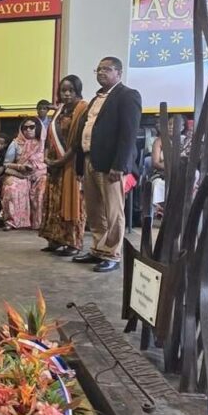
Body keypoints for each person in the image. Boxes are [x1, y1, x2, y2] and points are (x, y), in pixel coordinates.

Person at [72, 56, 142, 273]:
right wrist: (80, 166)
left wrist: (120, 165)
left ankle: (112, 253)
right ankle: (97, 249)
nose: (101, 73)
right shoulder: (95, 99)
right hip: (90, 159)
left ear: (119, 73)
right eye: (99, 69)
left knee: (113, 211)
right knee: (94, 210)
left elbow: (128, 134)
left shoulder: (128, 95)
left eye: (107, 69)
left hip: (111, 165)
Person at [39, 75, 89, 255]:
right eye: (63, 90)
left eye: (71, 90)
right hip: (54, 165)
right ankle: (55, 239)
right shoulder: (59, 111)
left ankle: (73, 242)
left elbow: (78, 141)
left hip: (71, 164)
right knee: (54, 202)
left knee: (72, 201)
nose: (67, 94)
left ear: (77, 91)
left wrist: (61, 160)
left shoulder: (82, 109)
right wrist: (46, 157)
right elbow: (49, 136)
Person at [1, 119, 47, 230]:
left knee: (43, 188)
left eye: (31, 127)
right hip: (21, 175)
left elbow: (48, 160)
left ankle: (39, 223)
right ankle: (12, 222)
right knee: (11, 187)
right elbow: (6, 164)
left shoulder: (43, 143)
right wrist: (20, 167)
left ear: (38, 128)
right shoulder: (16, 143)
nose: (28, 130)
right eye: (25, 128)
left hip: (40, 176)